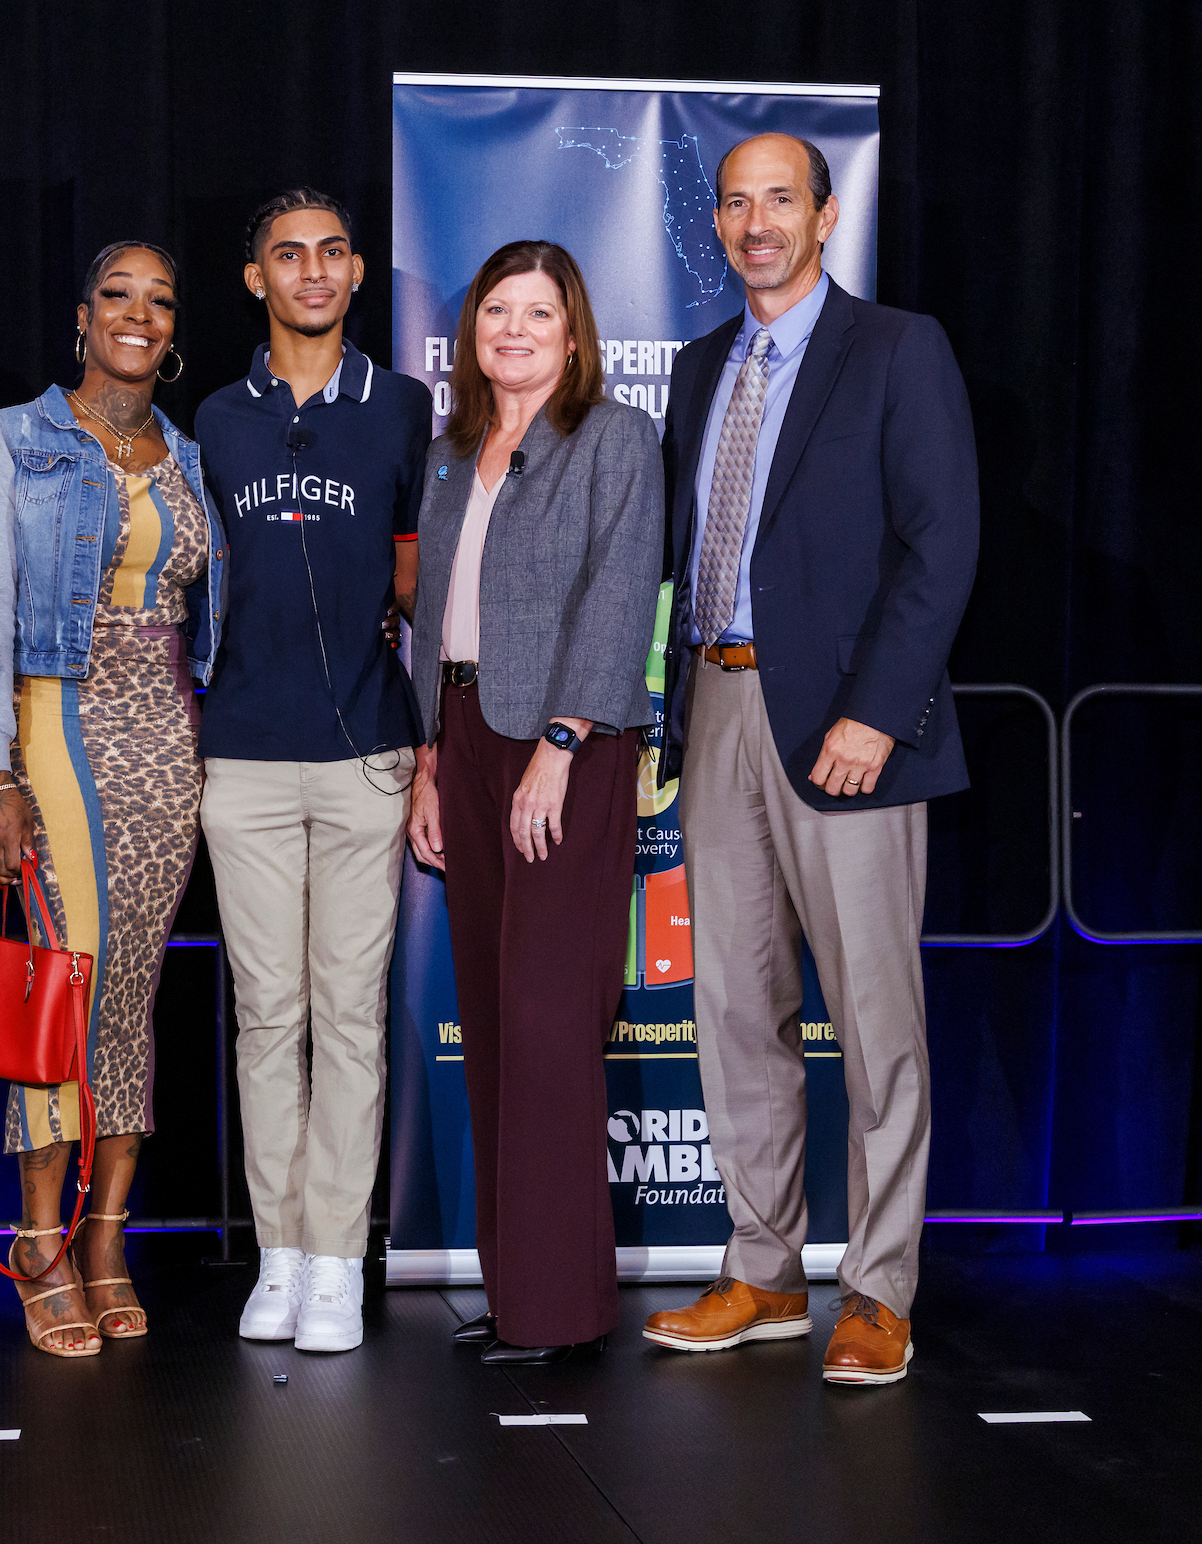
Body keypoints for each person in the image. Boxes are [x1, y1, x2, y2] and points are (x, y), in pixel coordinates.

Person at [641, 134, 978, 1387]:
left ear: (826, 216)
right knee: (733, 1012)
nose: (755, 221)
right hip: (718, 707)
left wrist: (878, 710)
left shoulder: (897, 349)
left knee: (877, 1020)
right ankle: (764, 1270)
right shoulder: (696, 368)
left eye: (779, 198)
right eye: (735, 203)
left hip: (849, 724)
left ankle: (878, 1290)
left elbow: (942, 541)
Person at [0, 240, 225, 1357]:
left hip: (167, 734)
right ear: (83, 316)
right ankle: (38, 1240)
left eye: (161, 300)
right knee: (68, 979)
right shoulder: (13, 438)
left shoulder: (191, 455)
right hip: (53, 721)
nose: (140, 315)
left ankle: (106, 1233)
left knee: (133, 991)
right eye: (119, 295)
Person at [406, 240, 664, 1365]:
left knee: (555, 1028)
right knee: (498, 1014)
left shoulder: (614, 437)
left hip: (565, 743)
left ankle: (562, 1309)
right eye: (495, 311)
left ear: (575, 332)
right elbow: (430, 619)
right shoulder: (453, 448)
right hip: (463, 736)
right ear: (471, 332)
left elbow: (617, 591)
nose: (513, 330)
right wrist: (427, 756)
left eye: (538, 313)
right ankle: (515, 1292)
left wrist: (561, 742)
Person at [194, 188, 431, 1353]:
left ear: (357, 270)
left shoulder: (401, 407)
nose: (314, 271)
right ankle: (278, 1252)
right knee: (264, 1016)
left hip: (366, 757)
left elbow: (418, 577)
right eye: (288, 254)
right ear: (257, 279)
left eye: (333, 253)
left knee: (347, 1017)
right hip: (237, 755)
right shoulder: (215, 421)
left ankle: (340, 1257)